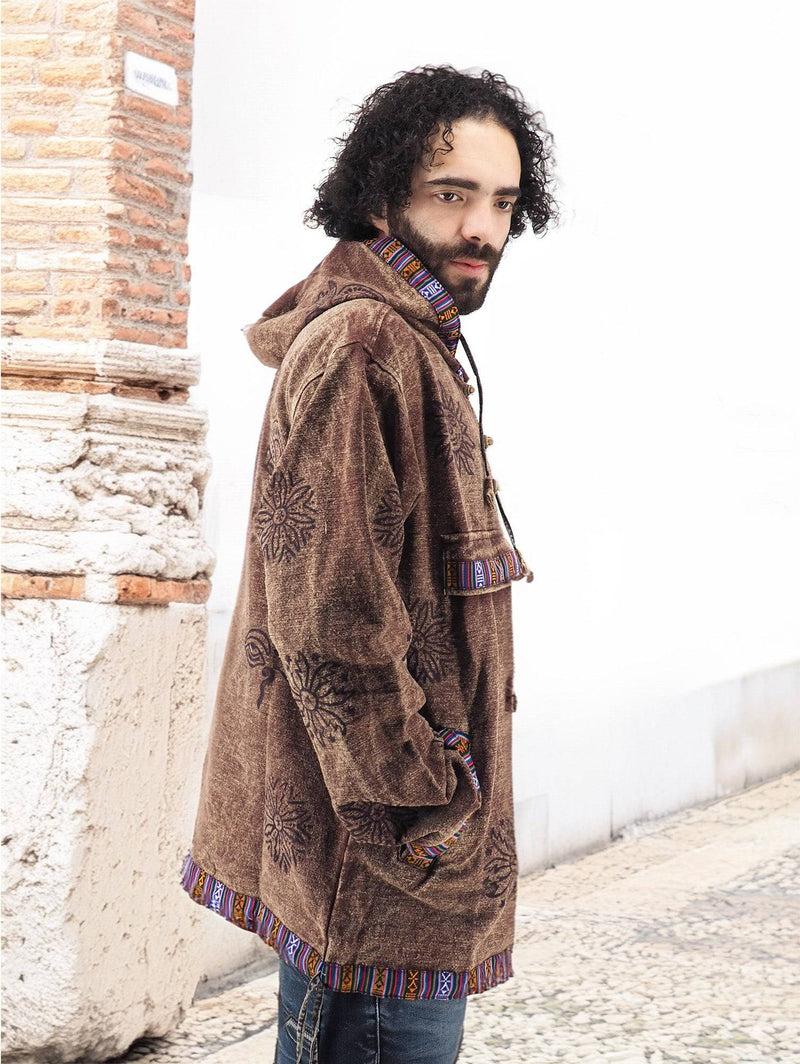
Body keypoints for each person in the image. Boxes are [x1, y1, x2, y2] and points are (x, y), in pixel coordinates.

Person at [180, 65, 557, 1064]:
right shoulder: (364, 346)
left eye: (503, 202)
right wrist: (427, 810)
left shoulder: (413, 338)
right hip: (383, 873)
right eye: (452, 194)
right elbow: (332, 621)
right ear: (380, 192)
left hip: (377, 861)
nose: (482, 227)